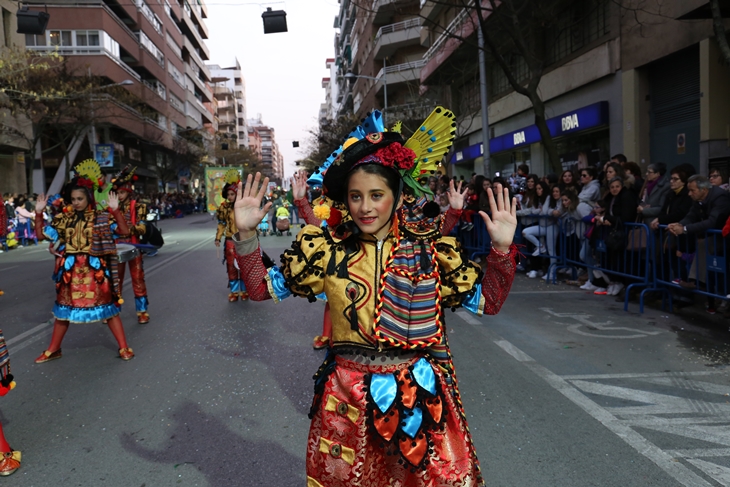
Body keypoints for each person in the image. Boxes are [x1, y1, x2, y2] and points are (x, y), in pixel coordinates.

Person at [233, 128, 517, 486]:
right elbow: (260, 289)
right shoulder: (326, 250)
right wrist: (245, 236)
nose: (365, 207)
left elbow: (487, 301)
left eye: (376, 195)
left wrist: (502, 252)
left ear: (398, 198)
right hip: (345, 395)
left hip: (416, 395)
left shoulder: (429, 254)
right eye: (356, 196)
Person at [32, 160, 134, 362]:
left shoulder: (101, 218)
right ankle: (54, 349)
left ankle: (123, 347)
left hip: (94, 270)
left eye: (79, 198)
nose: (76, 202)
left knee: (108, 309)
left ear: (88, 198)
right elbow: (42, 235)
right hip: (70, 271)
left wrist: (115, 210)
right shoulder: (64, 219)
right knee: (63, 311)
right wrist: (38, 213)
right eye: (73, 199)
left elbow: (124, 231)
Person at [111, 166, 151, 324]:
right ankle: (113, 309)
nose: (119, 196)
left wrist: (129, 229)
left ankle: (142, 311)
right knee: (115, 280)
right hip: (117, 248)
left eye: (122, 192)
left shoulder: (139, 207)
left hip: (134, 246)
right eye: (117, 193)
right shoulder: (111, 208)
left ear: (128, 191)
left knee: (138, 278)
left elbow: (142, 228)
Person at [214, 169, 248, 302]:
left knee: (244, 266)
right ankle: (234, 292)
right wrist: (218, 237)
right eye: (228, 194)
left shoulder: (244, 207)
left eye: (232, 194)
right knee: (231, 266)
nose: (230, 196)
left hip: (244, 240)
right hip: (230, 241)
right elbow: (221, 224)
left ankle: (245, 291)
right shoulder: (224, 208)